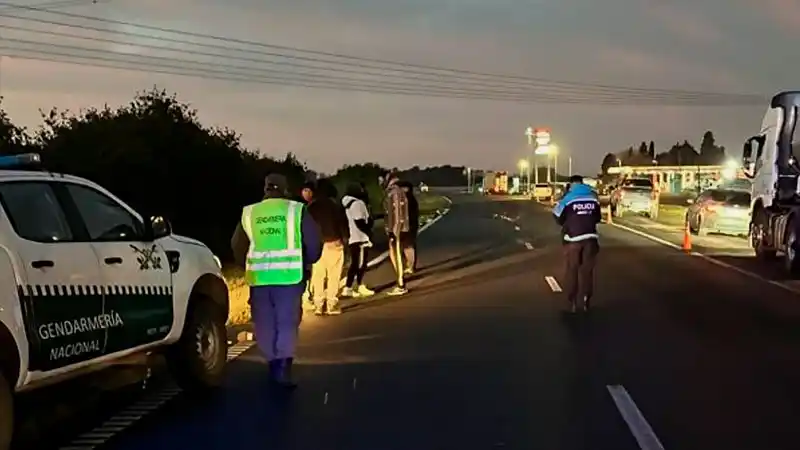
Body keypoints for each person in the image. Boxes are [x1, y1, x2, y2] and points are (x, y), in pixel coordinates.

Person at [230, 173, 322, 388]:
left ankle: (272, 363)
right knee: (287, 322)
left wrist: (247, 265)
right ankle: (283, 367)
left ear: (265, 189)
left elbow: (237, 245)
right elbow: (314, 243)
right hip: (289, 276)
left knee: (265, 322)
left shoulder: (250, 212)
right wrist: (306, 262)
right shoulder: (296, 210)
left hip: (259, 278)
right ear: (285, 189)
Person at [552, 175, 601, 313]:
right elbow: (597, 218)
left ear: (571, 185)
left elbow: (557, 216)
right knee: (587, 271)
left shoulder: (568, 198)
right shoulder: (593, 197)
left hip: (573, 239)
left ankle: (572, 300)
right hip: (591, 238)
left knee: (572, 269)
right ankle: (586, 299)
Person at [307, 178, 350, 315]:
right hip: (334, 242)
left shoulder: (311, 207)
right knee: (334, 274)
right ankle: (331, 303)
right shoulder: (335, 206)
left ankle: (318, 304)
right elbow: (343, 224)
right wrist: (345, 239)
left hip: (317, 244)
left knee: (318, 275)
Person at [341, 183, 375, 297]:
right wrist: (369, 232)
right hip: (360, 237)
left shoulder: (347, 204)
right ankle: (356, 286)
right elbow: (359, 221)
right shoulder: (357, 203)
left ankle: (349, 287)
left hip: (352, 237)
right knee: (360, 264)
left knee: (355, 263)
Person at [383, 172, 411, 296]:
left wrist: (395, 231)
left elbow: (398, 214)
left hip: (396, 230)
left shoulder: (395, 192)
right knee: (394, 254)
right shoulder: (397, 192)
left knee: (397, 255)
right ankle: (400, 280)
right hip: (396, 229)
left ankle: (401, 284)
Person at [398, 181, 419, 274]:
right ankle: (410, 264)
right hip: (410, 224)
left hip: (409, 225)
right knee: (408, 245)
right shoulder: (410, 198)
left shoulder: (407, 199)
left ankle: (411, 265)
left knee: (408, 246)